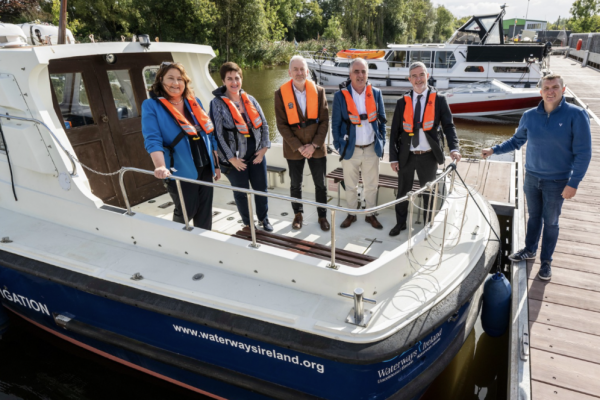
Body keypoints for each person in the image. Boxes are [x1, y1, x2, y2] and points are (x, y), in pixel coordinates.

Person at [482, 74, 591, 281]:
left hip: (557, 181)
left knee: (551, 222)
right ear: (540, 91)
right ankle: (529, 249)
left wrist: (573, 183)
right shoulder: (529, 115)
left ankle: (546, 261)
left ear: (563, 90)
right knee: (534, 217)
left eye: (555, 87)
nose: (551, 91)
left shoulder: (576, 115)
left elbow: (584, 153)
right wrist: (493, 149)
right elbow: (517, 141)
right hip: (532, 177)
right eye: (547, 88)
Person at [142, 62, 220, 230]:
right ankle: (177, 237)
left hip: (205, 165)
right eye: (171, 78)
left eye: (180, 79)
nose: (175, 83)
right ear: (161, 80)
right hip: (179, 168)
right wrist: (160, 165)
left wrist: (217, 165)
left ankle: (204, 241)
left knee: (205, 211)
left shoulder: (194, 101)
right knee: (188, 209)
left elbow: (209, 134)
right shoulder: (151, 106)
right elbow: (152, 139)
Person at [388, 61, 461, 237]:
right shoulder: (402, 102)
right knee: (403, 192)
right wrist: (393, 158)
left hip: (429, 156)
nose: (418, 79)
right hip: (407, 155)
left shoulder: (439, 100)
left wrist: (454, 148)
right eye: (414, 76)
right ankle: (400, 224)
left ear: (427, 76)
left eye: (421, 75)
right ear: (409, 79)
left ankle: (428, 225)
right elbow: (394, 132)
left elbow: (449, 126)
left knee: (429, 192)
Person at [210, 62, 273, 232]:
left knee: (261, 189)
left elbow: (265, 125)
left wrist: (264, 149)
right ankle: (248, 223)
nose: (234, 82)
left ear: (241, 79)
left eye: (237, 78)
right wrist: (232, 159)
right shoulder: (216, 104)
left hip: (257, 153)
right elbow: (217, 134)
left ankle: (263, 219)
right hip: (234, 156)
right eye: (229, 79)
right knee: (241, 192)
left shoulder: (250, 99)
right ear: (223, 81)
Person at [275, 55, 330, 232]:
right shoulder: (280, 94)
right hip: (294, 148)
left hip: (316, 147)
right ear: (290, 72)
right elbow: (281, 125)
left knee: (320, 183)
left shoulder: (319, 91)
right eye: (296, 69)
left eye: (302, 69)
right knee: (295, 184)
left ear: (307, 71)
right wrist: (299, 146)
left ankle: (322, 216)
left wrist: (313, 145)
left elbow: (324, 121)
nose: (299, 73)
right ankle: (297, 215)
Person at [332, 58, 387, 229]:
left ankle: (370, 214)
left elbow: (382, 121)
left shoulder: (376, 93)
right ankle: (352, 214)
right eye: (356, 71)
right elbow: (335, 125)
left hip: (371, 148)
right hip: (350, 150)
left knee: (371, 186)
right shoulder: (340, 96)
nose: (360, 75)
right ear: (350, 74)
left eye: (363, 71)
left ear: (367, 74)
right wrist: (339, 145)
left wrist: (382, 142)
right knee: (350, 186)